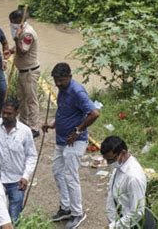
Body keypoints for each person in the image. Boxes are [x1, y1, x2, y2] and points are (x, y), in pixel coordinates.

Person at [42, 62, 99, 228]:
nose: (58, 84)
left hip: (75, 141)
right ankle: (65, 208)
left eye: (61, 80)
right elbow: (64, 112)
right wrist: (52, 124)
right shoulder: (62, 90)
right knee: (57, 172)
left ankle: (77, 213)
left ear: (69, 77)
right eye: (56, 80)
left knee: (70, 176)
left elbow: (94, 113)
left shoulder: (77, 91)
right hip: (61, 140)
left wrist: (78, 131)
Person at [101, 136, 147, 229]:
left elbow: (137, 212)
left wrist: (113, 227)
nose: (108, 163)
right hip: (116, 220)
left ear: (123, 153)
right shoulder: (120, 165)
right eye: (106, 159)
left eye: (110, 160)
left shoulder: (133, 177)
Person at [8, 9, 41, 138]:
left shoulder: (27, 34)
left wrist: (16, 39)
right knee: (22, 100)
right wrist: (11, 50)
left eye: (13, 22)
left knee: (31, 100)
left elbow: (23, 51)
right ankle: (24, 123)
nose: (11, 25)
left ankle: (34, 128)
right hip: (23, 71)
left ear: (19, 21)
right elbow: (18, 48)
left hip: (29, 72)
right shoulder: (22, 31)